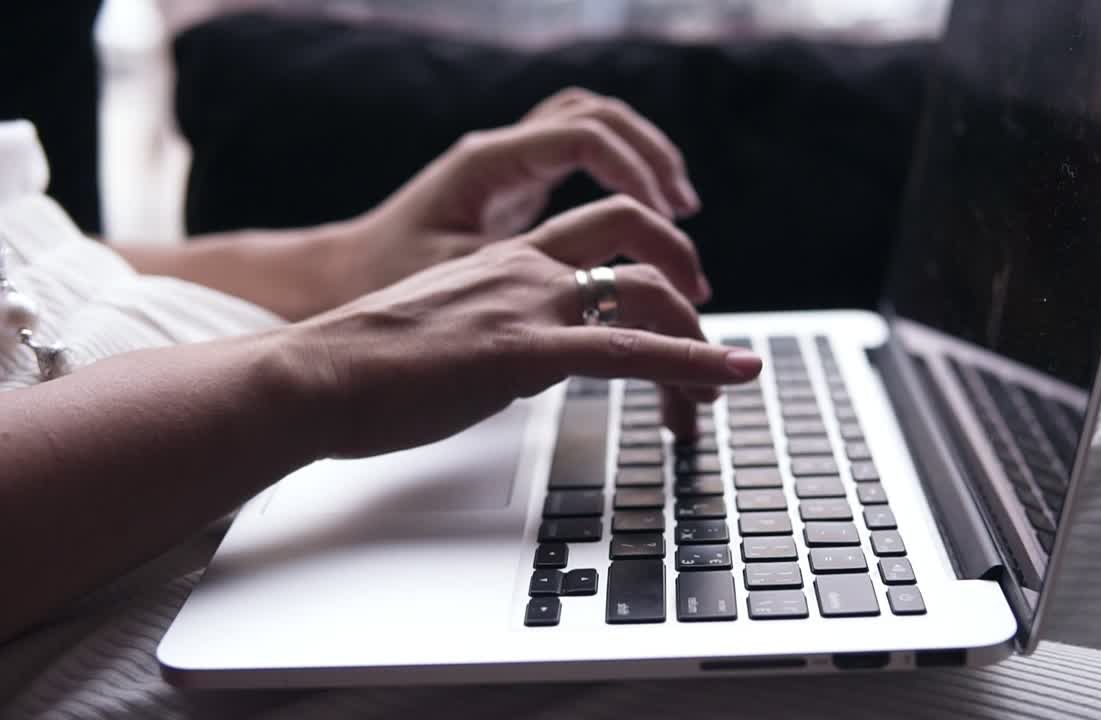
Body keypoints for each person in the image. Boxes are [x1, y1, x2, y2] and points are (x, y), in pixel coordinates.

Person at [0, 88, 764, 649]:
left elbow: (41, 258)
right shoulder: (311, 382)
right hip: (100, 583)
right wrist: (326, 369)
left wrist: (345, 266)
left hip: (249, 420)